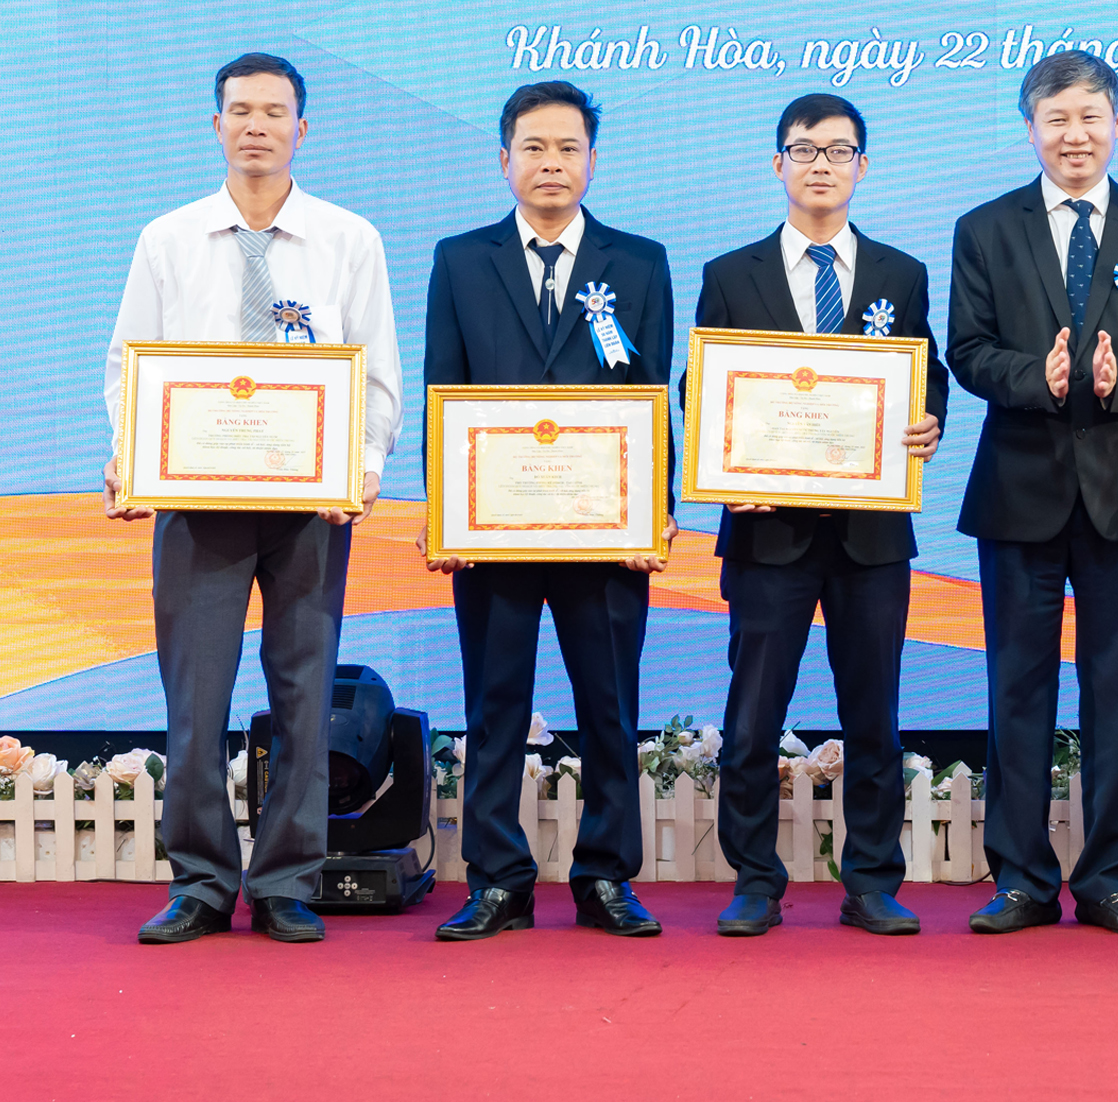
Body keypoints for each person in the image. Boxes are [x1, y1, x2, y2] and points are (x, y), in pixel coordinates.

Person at [103, 52, 402, 945]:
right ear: (217, 125)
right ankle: (199, 883)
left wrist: (364, 467)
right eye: (241, 111)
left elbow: (375, 372)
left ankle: (285, 882)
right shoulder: (168, 239)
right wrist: (132, 458)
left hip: (312, 505)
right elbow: (128, 366)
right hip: (197, 506)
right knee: (196, 699)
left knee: (306, 694)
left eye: (275, 112)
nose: (257, 126)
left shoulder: (349, 239)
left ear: (301, 129)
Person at [948, 49, 1118, 936]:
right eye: (1056, 119)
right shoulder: (986, 228)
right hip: (1019, 488)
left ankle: (1109, 879)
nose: (1074, 135)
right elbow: (968, 348)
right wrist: (1039, 377)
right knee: (1016, 691)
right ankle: (1020, 879)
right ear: (1031, 129)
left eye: (1090, 117)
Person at [421, 80, 677, 942]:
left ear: (592, 162)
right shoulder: (462, 260)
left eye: (568, 148)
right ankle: (498, 880)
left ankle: (606, 877)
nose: (552, 163)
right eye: (534, 147)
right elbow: (445, 390)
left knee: (609, 707)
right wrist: (446, 513)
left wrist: (655, 511)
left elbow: (651, 396)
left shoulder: (639, 262)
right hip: (492, 531)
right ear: (505, 160)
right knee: (496, 707)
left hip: (607, 532)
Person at [694, 93, 951, 937]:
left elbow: (927, 372)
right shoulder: (731, 274)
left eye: (839, 151)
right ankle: (754, 882)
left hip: (871, 535)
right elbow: (704, 386)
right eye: (804, 149)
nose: (821, 165)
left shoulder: (900, 274)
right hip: (767, 530)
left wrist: (930, 419)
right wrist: (722, 463)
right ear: (778, 164)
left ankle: (870, 880)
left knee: (873, 714)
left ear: (862, 167)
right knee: (753, 718)